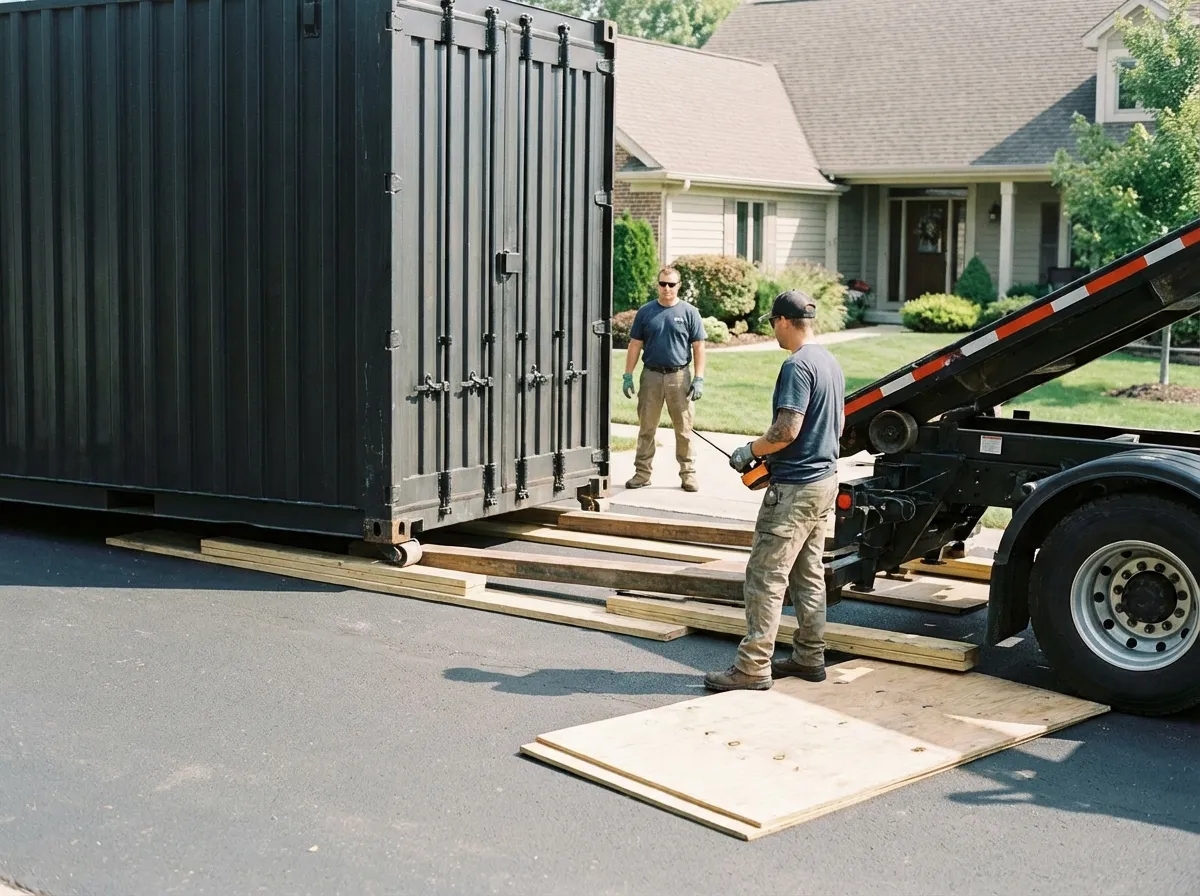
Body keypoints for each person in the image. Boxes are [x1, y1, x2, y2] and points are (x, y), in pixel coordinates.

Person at [703, 289, 845, 692]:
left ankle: (752, 668)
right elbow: (835, 425)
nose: (773, 330)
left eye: (772, 323)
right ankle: (809, 657)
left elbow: (786, 430)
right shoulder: (829, 362)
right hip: (823, 483)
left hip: (795, 490)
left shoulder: (797, 366)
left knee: (766, 577)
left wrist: (749, 451)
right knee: (809, 575)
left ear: (784, 321)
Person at [621, 266, 706, 493]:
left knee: (684, 429)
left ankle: (688, 474)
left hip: (680, 376)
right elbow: (635, 345)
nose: (666, 288)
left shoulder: (689, 312)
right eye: (662, 284)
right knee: (647, 428)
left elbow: (698, 346)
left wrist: (699, 378)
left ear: (679, 286)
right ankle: (642, 473)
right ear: (657, 285)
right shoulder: (646, 312)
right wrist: (628, 375)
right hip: (651, 376)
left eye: (671, 284)